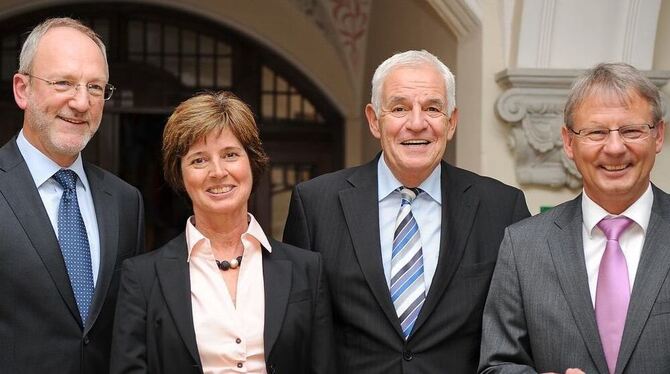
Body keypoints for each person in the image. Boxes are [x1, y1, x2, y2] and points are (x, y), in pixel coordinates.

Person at [283, 49, 530, 373]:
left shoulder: (501, 207)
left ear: (451, 121)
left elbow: (520, 331)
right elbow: (297, 332)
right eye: (399, 108)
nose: (417, 123)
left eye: (432, 108)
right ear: (374, 120)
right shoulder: (316, 204)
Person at [110, 91, 335, 374]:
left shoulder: (307, 271)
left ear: (252, 162)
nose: (217, 172)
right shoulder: (142, 278)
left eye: (230, 154)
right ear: (180, 175)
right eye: (199, 160)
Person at [479, 62, 670, 374]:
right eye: (596, 132)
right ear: (569, 142)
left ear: (658, 135)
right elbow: (497, 365)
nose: (614, 147)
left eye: (631, 130)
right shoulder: (524, 246)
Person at [0, 18, 145, 373]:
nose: (81, 102)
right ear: (23, 89)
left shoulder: (126, 202)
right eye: (63, 82)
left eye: (95, 87)